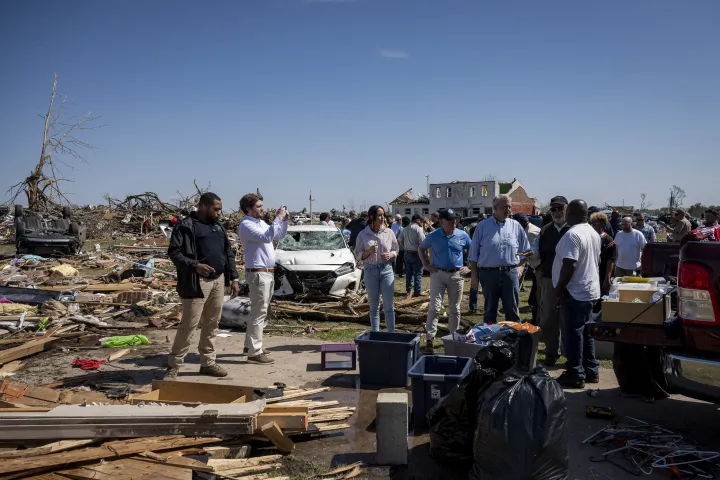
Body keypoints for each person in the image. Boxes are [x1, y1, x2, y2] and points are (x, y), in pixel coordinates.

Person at [166, 192, 240, 379]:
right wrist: (195, 265)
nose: (219, 213)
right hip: (196, 282)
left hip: (218, 280)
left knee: (212, 324)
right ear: (203, 207)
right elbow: (174, 252)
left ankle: (208, 363)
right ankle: (174, 365)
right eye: (215, 209)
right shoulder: (186, 226)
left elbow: (228, 252)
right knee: (189, 325)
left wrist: (234, 277)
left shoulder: (218, 226)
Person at [552, 199, 601, 389]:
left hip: (575, 292)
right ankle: (591, 370)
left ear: (571, 213)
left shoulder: (573, 234)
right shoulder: (592, 232)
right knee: (586, 332)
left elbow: (569, 264)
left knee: (572, 334)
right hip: (589, 290)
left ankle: (575, 373)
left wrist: (558, 290)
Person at [237, 193, 289, 365]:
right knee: (259, 312)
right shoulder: (246, 225)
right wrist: (277, 218)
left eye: (261, 205)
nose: (262, 209)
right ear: (248, 209)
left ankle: (249, 346)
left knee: (259, 311)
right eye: (258, 206)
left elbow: (277, 236)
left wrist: (284, 221)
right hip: (258, 272)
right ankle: (255, 351)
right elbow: (267, 236)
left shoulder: (260, 223)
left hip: (267, 272)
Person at [469, 195, 530, 325]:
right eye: (505, 207)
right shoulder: (483, 226)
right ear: (495, 208)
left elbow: (526, 251)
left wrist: (519, 268)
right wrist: (474, 276)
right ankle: (490, 340)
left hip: (510, 273)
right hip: (488, 274)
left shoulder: (516, 226)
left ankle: (513, 340)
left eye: (509, 206)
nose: (508, 210)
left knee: (512, 310)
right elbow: (473, 254)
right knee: (490, 310)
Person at [420, 209, 472, 353]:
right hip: (438, 274)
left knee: (454, 308)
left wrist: (468, 266)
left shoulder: (462, 235)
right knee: (435, 307)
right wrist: (426, 264)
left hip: (456, 275)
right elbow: (421, 248)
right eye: (450, 221)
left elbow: (473, 249)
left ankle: (453, 338)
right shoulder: (433, 236)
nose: (454, 223)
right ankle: (429, 339)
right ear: (441, 222)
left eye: (455, 220)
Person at [535, 196, 570, 365]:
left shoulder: (574, 229)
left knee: (568, 318)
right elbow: (536, 253)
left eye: (560, 208)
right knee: (548, 317)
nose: (556, 212)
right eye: (553, 209)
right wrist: (539, 270)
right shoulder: (545, 230)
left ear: (567, 208)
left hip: (571, 281)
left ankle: (570, 353)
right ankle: (551, 352)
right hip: (549, 280)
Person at [355, 206, 399, 332]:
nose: (382, 217)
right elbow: (358, 255)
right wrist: (368, 252)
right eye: (379, 215)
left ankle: (391, 335)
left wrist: (391, 255)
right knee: (374, 306)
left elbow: (396, 249)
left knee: (389, 306)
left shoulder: (389, 232)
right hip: (370, 271)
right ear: (371, 217)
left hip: (386, 270)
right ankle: (376, 335)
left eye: (383, 215)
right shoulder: (363, 234)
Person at [513, 212, 541, 321]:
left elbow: (530, 251)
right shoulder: (524, 230)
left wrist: (520, 264)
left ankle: (536, 318)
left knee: (538, 293)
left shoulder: (532, 232)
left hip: (538, 265)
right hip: (530, 264)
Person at [590, 212, 617, 312]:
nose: (592, 226)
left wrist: (607, 277)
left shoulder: (608, 240)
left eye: (594, 224)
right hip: (590, 273)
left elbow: (611, 260)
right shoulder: (589, 237)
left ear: (602, 225)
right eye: (591, 223)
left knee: (601, 299)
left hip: (602, 273)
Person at [401, 214, 426, 297]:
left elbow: (399, 240)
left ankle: (409, 290)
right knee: (418, 272)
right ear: (417, 220)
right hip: (416, 252)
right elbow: (423, 241)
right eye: (421, 221)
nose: (421, 223)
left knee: (408, 272)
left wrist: (404, 247)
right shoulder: (418, 229)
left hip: (407, 253)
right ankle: (417, 291)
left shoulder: (405, 229)